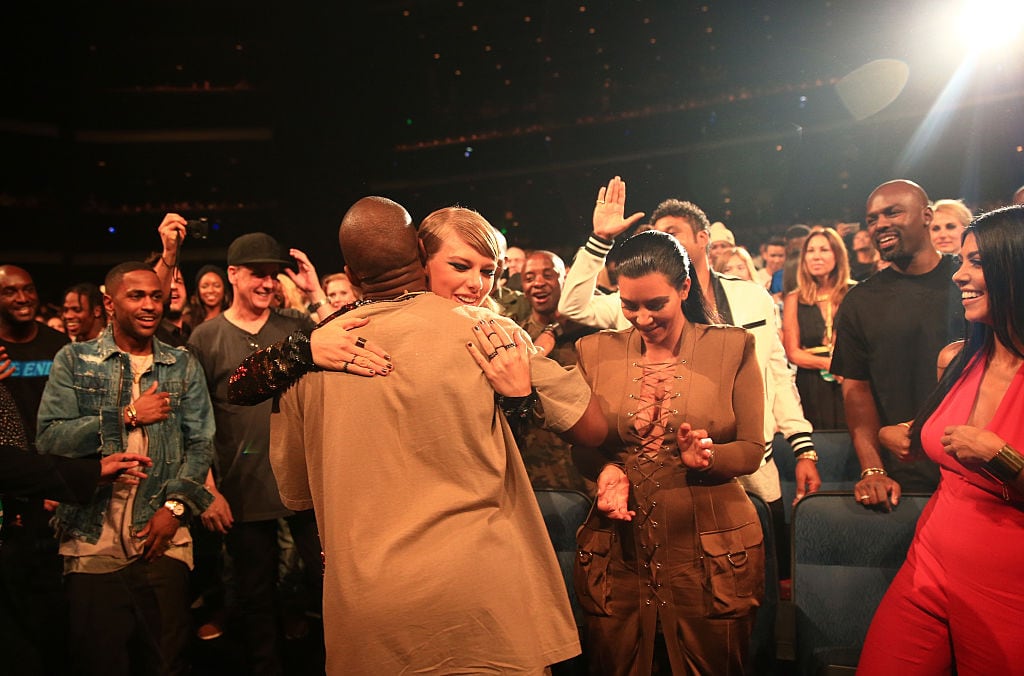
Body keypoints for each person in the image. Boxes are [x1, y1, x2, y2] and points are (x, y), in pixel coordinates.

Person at [269, 196, 603, 673]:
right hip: (485, 591)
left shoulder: (314, 352)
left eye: (487, 271)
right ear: (419, 257)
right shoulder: (490, 332)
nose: (476, 284)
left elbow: (297, 494)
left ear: (351, 270)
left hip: (371, 600)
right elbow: (592, 426)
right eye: (461, 265)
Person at [573, 230, 765, 674]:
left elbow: (752, 449)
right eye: (629, 305)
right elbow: (583, 450)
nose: (641, 318)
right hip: (617, 551)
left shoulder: (731, 346)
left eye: (655, 304)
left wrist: (709, 457)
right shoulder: (593, 351)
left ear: (684, 288)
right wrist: (604, 472)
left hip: (710, 554)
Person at [858, 205, 1024, 673]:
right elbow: (945, 435)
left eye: (977, 263)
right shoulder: (959, 357)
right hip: (927, 567)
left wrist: (1003, 458)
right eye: (961, 262)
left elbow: (986, 447)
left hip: (1009, 591)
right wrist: (909, 434)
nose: (959, 275)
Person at [36, 262, 215, 675]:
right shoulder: (74, 359)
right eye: (137, 296)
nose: (150, 305)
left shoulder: (182, 363)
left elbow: (201, 442)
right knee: (101, 661)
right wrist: (127, 415)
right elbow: (49, 439)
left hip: (163, 536)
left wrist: (174, 509)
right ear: (109, 304)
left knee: (166, 662)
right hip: (91, 538)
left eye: (156, 296)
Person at [187, 232, 325, 674]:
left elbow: (347, 343)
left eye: (272, 275)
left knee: (328, 582)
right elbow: (196, 417)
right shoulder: (206, 337)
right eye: (257, 275)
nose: (267, 284)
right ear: (233, 275)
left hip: (303, 482)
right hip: (242, 487)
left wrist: (316, 295)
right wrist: (207, 487)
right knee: (254, 593)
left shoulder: (295, 326)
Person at [831, 180, 965, 507]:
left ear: (927, 215)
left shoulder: (971, 281)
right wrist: (872, 468)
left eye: (893, 213)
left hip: (976, 468)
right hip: (903, 477)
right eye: (873, 219)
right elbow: (856, 388)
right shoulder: (859, 301)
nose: (881, 225)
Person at [782, 228, 855, 429]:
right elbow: (793, 352)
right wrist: (827, 364)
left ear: (837, 255)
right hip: (812, 383)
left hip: (851, 379)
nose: (816, 256)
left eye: (824, 249)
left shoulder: (855, 293)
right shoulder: (794, 299)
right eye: (810, 251)